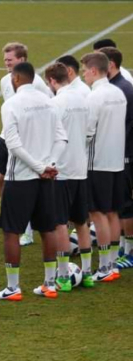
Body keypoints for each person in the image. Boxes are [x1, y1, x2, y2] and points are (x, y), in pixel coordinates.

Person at [0, 62, 67, 301]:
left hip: (21, 177)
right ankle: (50, 284)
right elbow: (62, 138)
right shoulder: (50, 102)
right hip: (46, 178)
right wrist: (50, 165)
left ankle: (13, 288)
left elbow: (12, 144)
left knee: (11, 231)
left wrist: (38, 167)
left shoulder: (11, 104)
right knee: (47, 229)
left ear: (15, 79)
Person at [0, 42, 53, 247]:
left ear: (22, 60)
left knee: (23, 183)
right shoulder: (5, 80)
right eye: (5, 59)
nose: (6, 63)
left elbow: (48, 110)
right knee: (2, 171)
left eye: (10, 59)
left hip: (30, 142)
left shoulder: (38, 85)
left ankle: (28, 231)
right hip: (9, 137)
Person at [44, 62, 93, 290]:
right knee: (82, 222)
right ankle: (88, 272)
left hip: (60, 171)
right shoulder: (84, 100)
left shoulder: (55, 103)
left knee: (60, 223)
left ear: (52, 81)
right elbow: (91, 132)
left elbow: (50, 136)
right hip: (80, 169)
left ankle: (63, 276)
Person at [81, 52, 127, 283]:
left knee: (97, 213)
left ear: (93, 70)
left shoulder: (94, 97)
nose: (83, 75)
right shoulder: (118, 93)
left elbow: (88, 132)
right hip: (116, 162)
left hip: (97, 163)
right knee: (112, 212)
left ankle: (106, 266)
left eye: (84, 71)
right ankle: (112, 265)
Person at [97, 48, 133, 273]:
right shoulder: (120, 87)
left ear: (110, 64)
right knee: (120, 203)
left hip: (125, 153)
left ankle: (129, 251)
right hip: (120, 153)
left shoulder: (122, 89)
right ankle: (122, 247)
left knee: (126, 203)